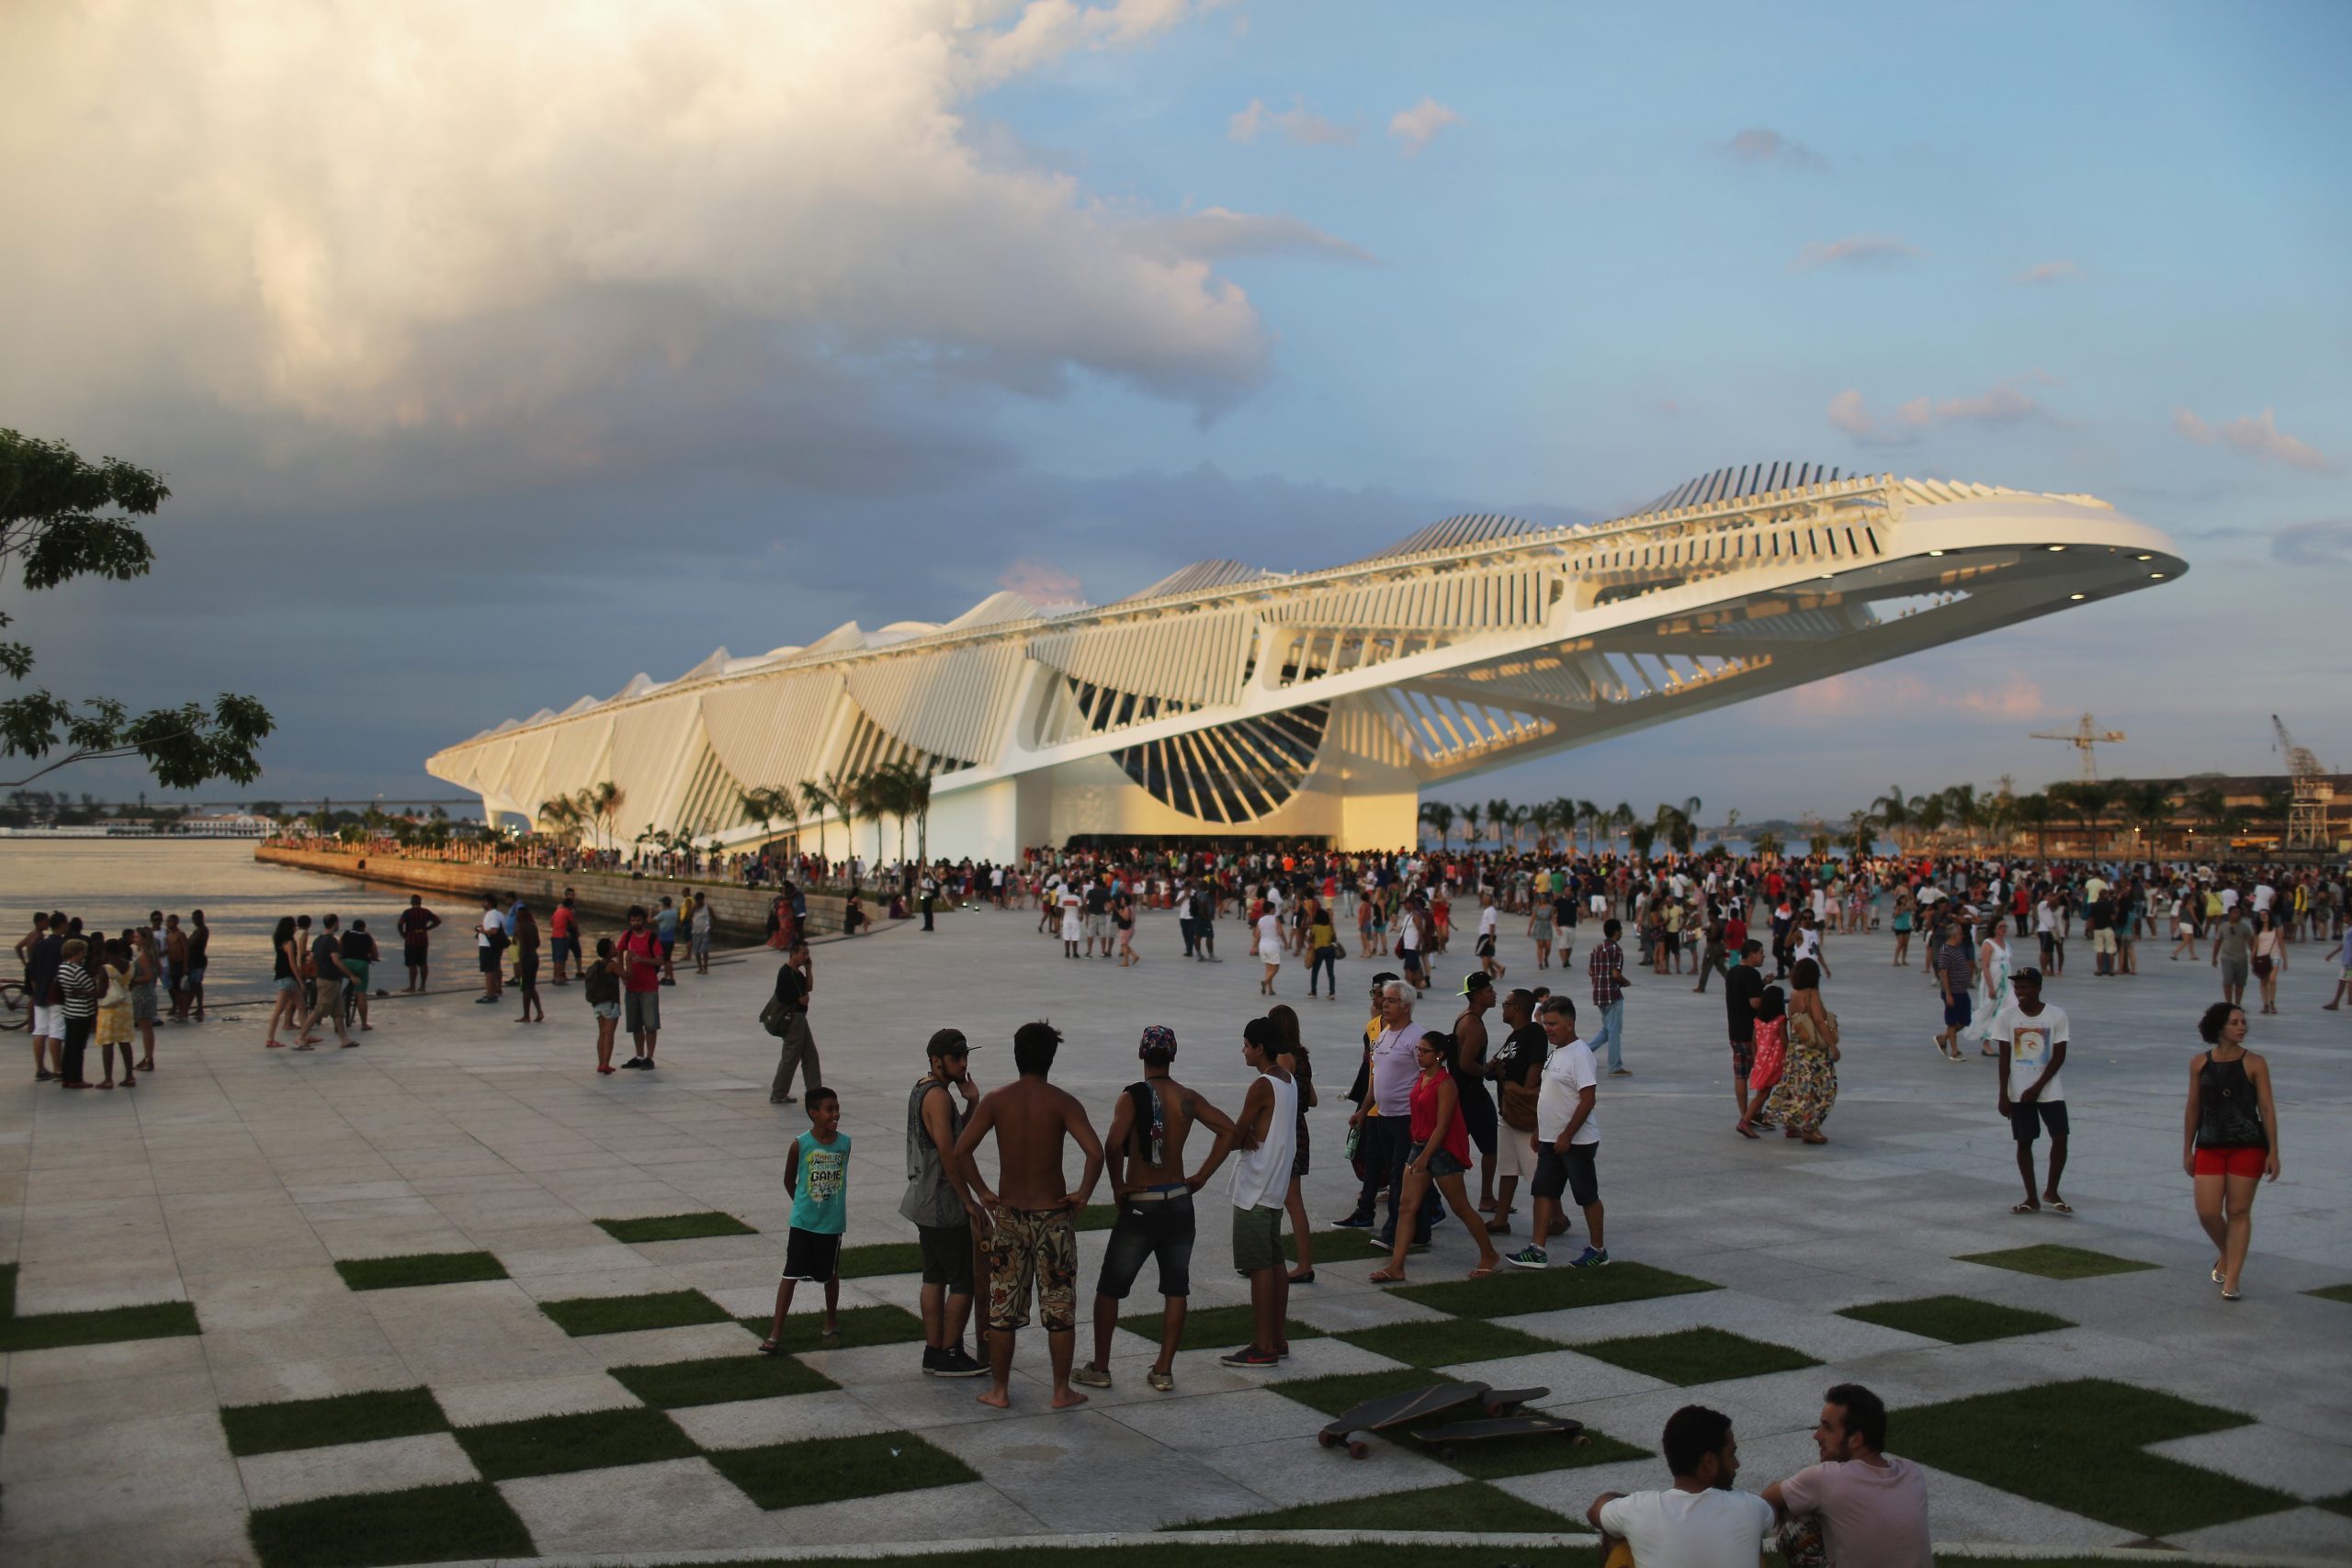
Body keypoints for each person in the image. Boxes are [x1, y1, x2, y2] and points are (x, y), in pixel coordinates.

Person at [1072, 1024, 1243, 1393]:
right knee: (1176, 1288)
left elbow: (1113, 1144)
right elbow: (1230, 1131)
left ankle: (1101, 1366)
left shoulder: (1132, 1097)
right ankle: (1163, 1369)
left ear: (1141, 1055)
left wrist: (1118, 1186)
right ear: (1174, 1056)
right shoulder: (1187, 1097)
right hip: (1179, 1202)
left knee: (1110, 1288)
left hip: (1142, 1204)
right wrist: (1200, 1176)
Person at [949, 1021, 1105, 1411]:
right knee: (1059, 1306)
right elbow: (1096, 1153)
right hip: (1053, 1217)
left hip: (1010, 1217)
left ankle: (1000, 1390)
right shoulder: (1063, 1103)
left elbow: (961, 1151)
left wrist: (984, 1192)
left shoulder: (997, 1101)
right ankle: (1060, 1390)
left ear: (1016, 1055)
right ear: (1051, 1057)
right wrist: (1083, 1194)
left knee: (1002, 1308)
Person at [1368, 1030, 1503, 1283]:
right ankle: (1397, 1266)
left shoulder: (1446, 1083)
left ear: (1440, 1055)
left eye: (1425, 1051)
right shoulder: (1422, 1077)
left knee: (1460, 1207)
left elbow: (1443, 1126)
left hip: (1441, 1151)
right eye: (1418, 1050)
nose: (1419, 1054)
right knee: (1406, 1207)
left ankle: (1489, 1255)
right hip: (1420, 1147)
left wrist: (1424, 1157)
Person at [1761, 1383, 1932, 1568]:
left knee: (1797, 1519)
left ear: (1856, 1440)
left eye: (1827, 1428)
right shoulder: (1913, 1473)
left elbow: (1765, 1501)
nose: (1817, 1435)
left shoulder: (1827, 1478)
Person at [1589, 1404, 1774, 1566]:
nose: (1736, 1464)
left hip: (1633, 1510)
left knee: (1616, 1533)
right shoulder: (1750, 1506)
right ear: (1709, 1462)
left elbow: (1595, 1511)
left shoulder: (1639, 1508)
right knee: (1753, 1538)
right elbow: (1777, 1516)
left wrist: (1625, 1503)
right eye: (1731, 1455)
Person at [901, 1029, 987, 1377]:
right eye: (956, 1058)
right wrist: (969, 1200)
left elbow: (953, 1139)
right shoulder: (937, 1096)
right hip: (941, 1201)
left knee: (934, 1275)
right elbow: (952, 1154)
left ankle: (933, 1351)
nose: (963, 1064)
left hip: (923, 1198)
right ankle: (950, 1352)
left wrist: (972, 1103)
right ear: (936, 1061)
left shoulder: (923, 1088)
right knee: (963, 1278)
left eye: (966, 1056)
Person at [2185, 1002, 2280, 1301]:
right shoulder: (2200, 1063)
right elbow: (2193, 1108)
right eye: (2235, 1022)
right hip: (2210, 1144)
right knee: (2208, 1211)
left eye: (2243, 1022)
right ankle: (2228, 1252)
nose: (2242, 1027)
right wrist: (2187, 1149)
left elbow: (2266, 1107)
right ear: (2219, 1028)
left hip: (2248, 1145)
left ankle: (2233, 1279)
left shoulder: (2255, 1063)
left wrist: (2273, 1151)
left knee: (2238, 1211)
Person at [1221, 1015, 1299, 1368]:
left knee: (1258, 1267)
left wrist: (1201, 1176)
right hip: (1275, 1186)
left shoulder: (1263, 1085)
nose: (1243, 1050)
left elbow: (1236, 1133)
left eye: (1246, 1045)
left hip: (1255, 1187)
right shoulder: (1289, 1080)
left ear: (1259, 1048)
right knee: (1274, 1260)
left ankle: (1263, 1345)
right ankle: (1278, 1338)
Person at [1509, 995, 1606, 1269]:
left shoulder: (1580, 1054)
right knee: (1543, 1191)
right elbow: (1550, 1096)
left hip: (1576, 1142)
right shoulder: (1557, 1052)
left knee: (1586, 1195)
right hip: (1551, 1140)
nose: (1548, 1028)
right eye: (1545, 1023)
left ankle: (1598, 1250)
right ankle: (1537, 1249)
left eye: (1553, 1024)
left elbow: (1588, 1099)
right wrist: (1541, 1129)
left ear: (1569, 1023)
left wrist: (1567, 1135)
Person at [759, 1088, 848, 1351]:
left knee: (829, 1274)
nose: (835, 1114)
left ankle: (830, 1324)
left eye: (836, 1108)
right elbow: (789, 1180)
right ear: (813, 1113)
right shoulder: (800, 1144)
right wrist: (802, 1205)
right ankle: (775, 1334)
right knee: (791, 1273)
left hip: (831, 1225)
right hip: (802, 1223)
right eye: (829, 1109)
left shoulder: (845, 1143)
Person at [1994, 967, 2070, 1215]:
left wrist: (2037, 1088)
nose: (2019, 992)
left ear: (2038, 988)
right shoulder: (2006, 1017)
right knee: (2025, 1141)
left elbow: (2059, 1057)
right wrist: (2003, 1095)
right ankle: (2031, 1197)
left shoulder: (2056, 1015)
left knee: (2060, 1137)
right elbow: (2004, 1059)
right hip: (2018, 1091)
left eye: (2024, 987)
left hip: (2049, 1089)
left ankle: (2052, 1191)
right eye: (2017, 988)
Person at [1486, 988, 1546, 1238]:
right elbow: (1494, 1071)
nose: (1503, 1007)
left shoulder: (1534, 1033)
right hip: (1507, 1111)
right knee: (1508, 1167)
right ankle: (1500, 1220)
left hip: (1522, 1112)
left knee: (1536, 1173)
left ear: (1518, 1008)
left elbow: (1535, 1067)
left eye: (1506, 1004)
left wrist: (1522, 1093)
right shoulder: (1514, 1036)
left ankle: (1557, 1217)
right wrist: (1494, 1069)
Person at [1764, 958, 1840, 1145]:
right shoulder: (1812, 993)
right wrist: (1832, 1045)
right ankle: (1810, 1128)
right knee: (1824, 1089)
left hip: (1797, 1048)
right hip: (1813, 1051)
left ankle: (1792, 1125)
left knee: (1797, 1086)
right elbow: (1818, 1020)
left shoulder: (1795, 993)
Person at [1269, 1006, 1318, 1283]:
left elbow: (1275, 1099)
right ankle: (1272, 1259)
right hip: (1298, 1129)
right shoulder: (1302, 1056)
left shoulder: (1282, 1058)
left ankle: (1303, 1264)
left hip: (1286, 1132)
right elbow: (1311, 1099)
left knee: (1291, 1199)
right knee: (1285, 1198)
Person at [1452, 971, 1502, 1213]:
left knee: (1452, 1148)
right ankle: (1486, 1197)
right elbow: (1465, 1064)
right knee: (1490, 1147)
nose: (1495, 995)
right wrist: (1487, 1069)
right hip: (1472, 1095)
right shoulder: (1474, 1025)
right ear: (1478, 995)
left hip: (1459, 1094)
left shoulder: (1465, 1017)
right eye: (1490, 991)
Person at [293, 914, 356, 1050]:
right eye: (338, 922)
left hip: (324, 978)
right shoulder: (331, 940)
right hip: (329, 980)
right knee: (319, 1010)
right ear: (335, 923)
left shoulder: (318, 940)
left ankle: (344, 1040)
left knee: (338, 1012)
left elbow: (311, 959)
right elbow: (335, 960)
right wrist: (350, 975)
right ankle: (301, 1037)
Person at [765, 948, 820, 1103]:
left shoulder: (797, 973)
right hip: (793, 1020)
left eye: (808, 954)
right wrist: (804, 997)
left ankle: (815, 1092)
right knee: (790, 1057)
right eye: (803, 953)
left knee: (810, 1055)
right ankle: (778, 1093)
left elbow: (809, 987)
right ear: (794, 954)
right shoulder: (787, 973)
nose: (806, 956)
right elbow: (804, 1000)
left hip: (800, 1018)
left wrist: (809, 969)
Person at [1725, 940, 1768, 1136]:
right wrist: (1770, 999)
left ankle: (1745, 1114)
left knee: (1740, 1074)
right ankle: (1752, 1115)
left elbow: (1742, 994)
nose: (1763, 956)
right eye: (1760, 953)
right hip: (1750, 1034)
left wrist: (1762, 984)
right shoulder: (1752, 974)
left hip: (1735, 1030)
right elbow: (1755, 1002)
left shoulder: (1732, 971)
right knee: (1761, 1074)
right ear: (1751, 954)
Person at [616, 906, 663, 1068]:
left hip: (649, 987)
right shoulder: (627, 935)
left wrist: (641, 959)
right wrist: (622, 972)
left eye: (638, 920)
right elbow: (618, 951)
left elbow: (660, 960)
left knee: (650, 1024)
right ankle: (639, 1055)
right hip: (632, 987)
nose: (636, 923)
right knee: (636, 1025)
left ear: (644, 920)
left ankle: (650, 1057)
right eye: (633, 920)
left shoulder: (652, 938)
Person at [52, 937, 99, 1089]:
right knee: (78, 1048)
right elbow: (90, 989)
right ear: (76, 953)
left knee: (70, 1046)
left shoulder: (62, 968)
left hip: (69, 1011)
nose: (84, 955)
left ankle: (67, 1077)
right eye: (82, 952)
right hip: (82, 1012)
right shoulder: (77, 970)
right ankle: (76, 1078)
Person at [1588, 918, 1630, 1077]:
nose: (1622, 933)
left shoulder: (1597, 949)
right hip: (1613, 994)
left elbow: (1591, 971)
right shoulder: (1616, 950)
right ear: (1616, 932)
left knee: (1607, 1029)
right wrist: (1625, 983)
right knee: (1614, 1031)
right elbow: (1616, 974)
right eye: (1621, 930)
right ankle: (1615, 1065)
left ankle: (1584, 1052)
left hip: (1598, 993)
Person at [1930, 918, 1974, 1061]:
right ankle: (1955, 1051)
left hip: (1962, 990)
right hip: (1953, 991)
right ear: (1955, 936)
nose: (1963, 936)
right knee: (1951, 1020)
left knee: (1965, 1020)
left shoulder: (1957, 949)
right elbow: (1943, 974)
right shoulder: (1945, 951)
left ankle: (1943, 1038)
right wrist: (1948, 994)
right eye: (1961, 934)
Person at [95, 938, 135, 1089]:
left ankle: (108, 1079)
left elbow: (100, 992)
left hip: (110, 1009)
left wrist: (83, 992)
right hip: (126, 1006)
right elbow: (132, 984)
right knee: (125, 1041)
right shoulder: (131, 966)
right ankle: (130, 1076)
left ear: (106, 951)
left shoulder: (105, 968)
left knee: (108, 1043)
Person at [583, 936, 622, 1074]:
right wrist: (626, 959)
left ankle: (601, 1063)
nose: (616, 949)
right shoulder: (611, 965)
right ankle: (606, 1063)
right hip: (610, 1003)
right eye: (613, 948)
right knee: (609, 1033)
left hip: (597, 1003)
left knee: (602, 1033)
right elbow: (628, 976)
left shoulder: (597, 965)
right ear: (607, 951)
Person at [506, 898, 541, 1023]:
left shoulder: (521, 927)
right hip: (534, 957)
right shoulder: (533, 926)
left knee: (525, 988)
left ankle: (526, 1015)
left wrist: (520, 965)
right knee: (531, 987)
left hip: (526, 958)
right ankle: (539, 1012)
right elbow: (537, 943)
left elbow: (522, 947)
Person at [343, 918, 379, 1032]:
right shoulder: (368, 937)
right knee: (361, 994)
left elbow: (338, 948)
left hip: (346, 964)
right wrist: (372, 958)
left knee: (337, 982)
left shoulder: (346, 934)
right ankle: (364, 1024)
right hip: (361, 965)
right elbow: (375, 954)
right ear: (363, 927)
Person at [397, 895, 439, 992]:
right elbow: (437, 921)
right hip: (423, 939)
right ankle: (423, 986)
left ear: (411, 902)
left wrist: (403, 934)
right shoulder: (426, 912)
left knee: (412, 964)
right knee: (423, 963)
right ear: (420, 902)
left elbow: (400, 924)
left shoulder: (407, 913)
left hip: (411, 940)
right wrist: (428, 928)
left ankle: (412, 987)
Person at [2250, 910, 2286, 1015]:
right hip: (2261, 957)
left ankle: (2272, 1002)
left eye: (2265, 914)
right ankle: (2265, 1004)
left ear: (2269, 916)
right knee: (2263, 981)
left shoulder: (2277, 929)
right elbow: (2255, 946)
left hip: (2274, 957)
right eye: (2261, 915)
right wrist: (2252, 956)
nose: (2263, 916)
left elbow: (2282, 944)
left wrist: (2285, 960)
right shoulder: (2258, 930)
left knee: (2272, 979)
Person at [475, 894, 505, 1003]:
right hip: (493, 946)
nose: (482, 904)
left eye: (484, 902)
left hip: (487, 946)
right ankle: (494, 990)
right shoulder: (498, 914)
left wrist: (482, 931)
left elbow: (494, 930)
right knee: (494, 968)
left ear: (489, 903)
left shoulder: (492, 914)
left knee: (488, 971)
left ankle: (490, 994)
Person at [548, 892, 577, 985]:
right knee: (561, 958)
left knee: (556, 958)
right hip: (562, 937)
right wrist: (566, 931)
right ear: (570, 906)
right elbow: (573, 925)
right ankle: (559, 978)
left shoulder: (558, 911)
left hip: (554, 936)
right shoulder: (568, 912)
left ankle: (555, 976)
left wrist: (558, 928)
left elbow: (551, 923)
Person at [1256, 900, 1283, 996]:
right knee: (1275, 968)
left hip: (1262, 945)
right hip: (1273, 945)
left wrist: (1254, 946)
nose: (1275, 910)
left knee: (1268, 968)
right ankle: (1265, 981)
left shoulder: (1261, 920)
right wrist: (1286, 942)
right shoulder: (1275, 919)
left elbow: (1257, 934)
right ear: (1271, 909)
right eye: (1274, 908)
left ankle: (1270, 990)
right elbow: (1280, 933)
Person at [690, 891, 714, 976]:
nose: (697, 902)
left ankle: (705, 968)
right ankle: (700, 967)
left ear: (702, 900)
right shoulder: (694, 908)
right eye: (696, 900)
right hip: (695, 932)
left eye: (698, 900)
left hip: (705, 931)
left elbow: (713, 917)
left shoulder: (707, 908)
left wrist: (711, 928)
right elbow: (689, 917)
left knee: (704, 950)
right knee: (696, 951)